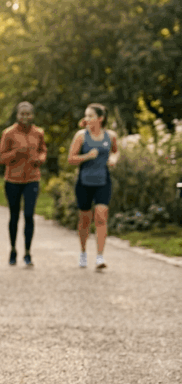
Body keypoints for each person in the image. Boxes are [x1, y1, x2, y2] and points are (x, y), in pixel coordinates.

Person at [67, 103, 118, 270]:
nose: (86, 119)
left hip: (103, 182)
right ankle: (82, 253)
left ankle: (100, 257)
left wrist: (113, 159)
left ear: (100, 119)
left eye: (90, 116)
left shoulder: (110, 136)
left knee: (101, 216)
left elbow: (115, 151)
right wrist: (87, 156)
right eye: (86, 116)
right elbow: (71, 159)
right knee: (84, 220)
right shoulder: (81, 136)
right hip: (84, 182)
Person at [0, 102, 47, 267]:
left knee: (29, 216)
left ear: (33, 115)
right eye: (22, 114)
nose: (25, 117)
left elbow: (43, 151)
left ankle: (27, 252)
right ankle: (12, 249)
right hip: (13, 179)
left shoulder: (38, 133)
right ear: (17, 115)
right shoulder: (9, 133)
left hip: (32, 179)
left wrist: (39, 159)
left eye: (28, 114)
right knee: (14, 216)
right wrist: (15, 153)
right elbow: (1, 158)